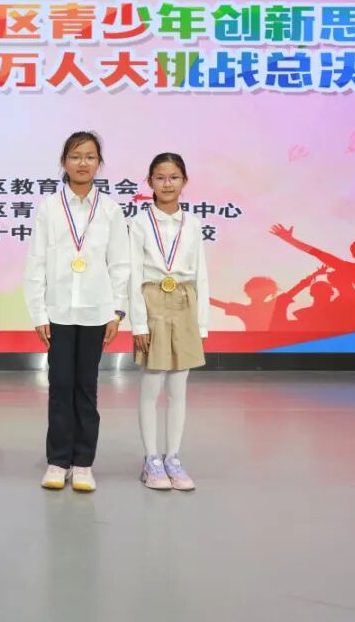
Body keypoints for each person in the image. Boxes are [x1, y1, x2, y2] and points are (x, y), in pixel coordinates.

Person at [23, 131, 130, 493]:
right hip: (59, 313)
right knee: (60, 386)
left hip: (96, 312)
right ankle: (57, 461)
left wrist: (116, 311)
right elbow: (36, 262)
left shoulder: (110, 210)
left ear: (99, 163)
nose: (83, 163)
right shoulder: (49, 208)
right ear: (63, 162)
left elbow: (120, 264)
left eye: (90, 156)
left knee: (86, 387)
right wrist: (39, 313)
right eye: (75, 156)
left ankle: (83, 463)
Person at [130, 153, 208, 492]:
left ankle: (173, 456)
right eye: (160, 177)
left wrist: (201, 324)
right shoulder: (139, 223)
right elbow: (133, 274)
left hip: (184, 301)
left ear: (184, 181)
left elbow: (201, 274)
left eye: (173, 177)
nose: (167, 184)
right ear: (149, 182)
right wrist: (138, 324)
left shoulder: (193, 224)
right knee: (152, 384)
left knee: (178, 387)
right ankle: (151, 459)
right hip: (152, 302)